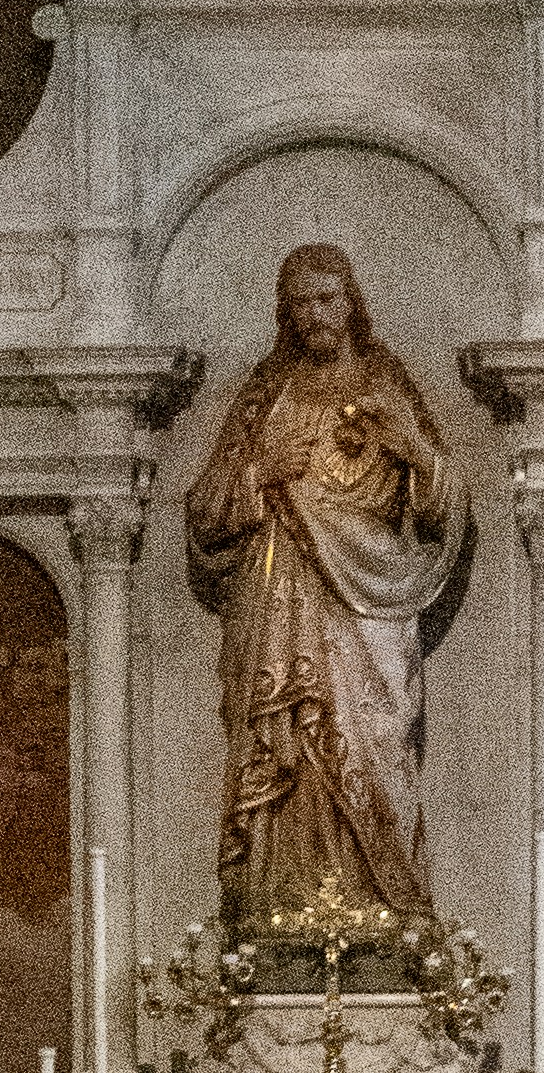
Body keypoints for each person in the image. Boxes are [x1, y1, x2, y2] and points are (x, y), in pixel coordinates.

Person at [179, 245, 471, 935]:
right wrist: (256, 474)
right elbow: (203, 510)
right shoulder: (262, 394)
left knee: (370, 741)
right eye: (301, 301)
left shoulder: (386, 385)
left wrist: (413, 451)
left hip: (368, 603)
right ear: (287, 312)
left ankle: (387, 916)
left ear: (352, 304)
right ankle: (272, 917)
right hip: (274, 596)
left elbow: (446, 507)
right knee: (281, 744)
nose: (315, 313)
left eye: (328, 298)